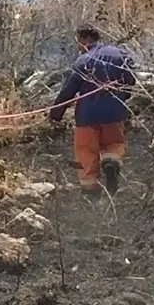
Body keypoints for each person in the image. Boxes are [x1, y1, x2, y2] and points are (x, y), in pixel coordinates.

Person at [49, 26, 136, 197]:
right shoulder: (119, 54)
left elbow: (68, 91)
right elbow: (130, 81)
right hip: (114, 113)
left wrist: (55, 114)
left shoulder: (83, 61)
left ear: (84, 41)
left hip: (87, 117)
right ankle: (111, 162)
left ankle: (90, 193)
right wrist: (122, 98)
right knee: (114, 144)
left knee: (86, 153)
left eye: (79, 43)